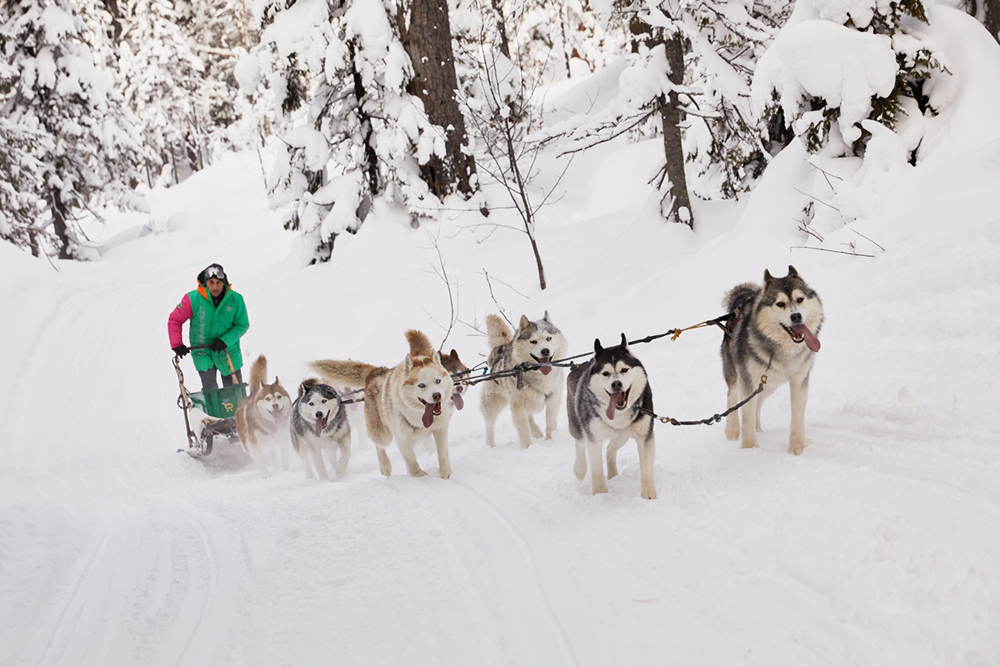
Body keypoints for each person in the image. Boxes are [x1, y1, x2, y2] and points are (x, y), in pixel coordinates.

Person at [168, 263, 249, 390]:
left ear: (224, 282)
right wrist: (177, 344)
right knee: (210, 389)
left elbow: (242, 324)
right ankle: (213, 410)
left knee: (235, 390)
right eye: (211, 282)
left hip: (228, 351)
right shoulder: (193, 299)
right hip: (203, 352)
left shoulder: (236, 300)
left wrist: (224, 340)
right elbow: (174, 320)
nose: (215, 286)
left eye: (218, 282)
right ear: (205, 283)